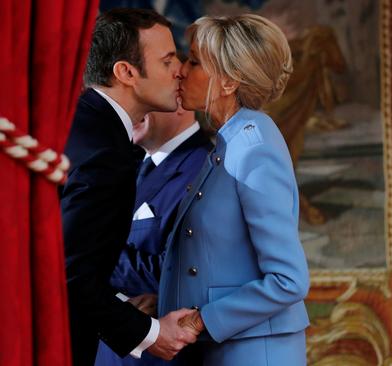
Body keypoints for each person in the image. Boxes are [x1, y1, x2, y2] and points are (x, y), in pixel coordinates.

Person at [157, 14, 310, 365]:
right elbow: (216, 260)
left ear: (227, 82)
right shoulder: (232, 141)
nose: (181, 70)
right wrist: (163, 300)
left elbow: (289, 280)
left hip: (254, 353)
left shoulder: (254, 146)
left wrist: (200, 319)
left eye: (194, 61)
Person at [60, 8, 199, 365]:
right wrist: (151, 334)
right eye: (168, 60)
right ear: (126, 72)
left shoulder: (79, 123)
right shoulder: (105, 153)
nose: (180, 70)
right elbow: (71, 275)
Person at [95, 102, 214, 366]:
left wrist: (89, 253)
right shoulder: (127, 164)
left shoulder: (206, 170)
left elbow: (181, 271)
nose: (131, 108)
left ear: (179, 101)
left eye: (145, 100)